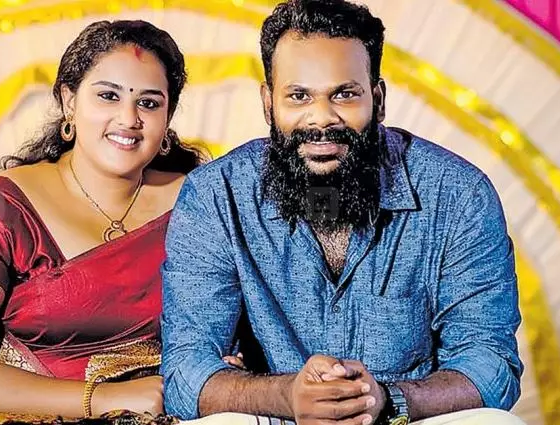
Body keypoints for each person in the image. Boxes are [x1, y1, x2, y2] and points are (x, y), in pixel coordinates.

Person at [161, 1, 524, 425]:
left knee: (497, 423)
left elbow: (491, 365)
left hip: (405, 417)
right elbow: (185, 374)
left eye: (345, 94)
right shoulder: (215, 195)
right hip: (273, 417)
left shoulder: (459, 194)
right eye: (298, 96)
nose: (321, 119)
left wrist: (385, 399)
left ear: (378, 99)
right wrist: (287, 395)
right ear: (268, 103)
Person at [0, 20, 209, 425]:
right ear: (70, 102)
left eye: (149, 103)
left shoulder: (201, 203)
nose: (128, 118)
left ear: (168, 115)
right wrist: (100, 399)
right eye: (108, 96)